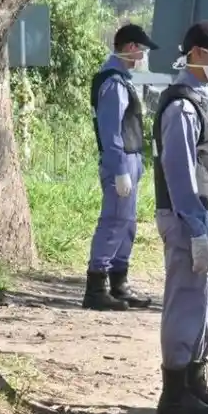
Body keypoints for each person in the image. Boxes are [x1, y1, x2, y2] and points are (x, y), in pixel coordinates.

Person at [151, 21, 208, 414]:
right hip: (184, 219)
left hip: (196, 218)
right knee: (186, 304)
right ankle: (174, 392)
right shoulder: (182, 108)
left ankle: (194, 382)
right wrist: (197, 228)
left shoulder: (197, 100)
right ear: (198, 54)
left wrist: (207, 224)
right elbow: (179, 174)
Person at [83, 24, 157, 311]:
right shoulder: (113, 82)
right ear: (130, 48)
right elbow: (110, 131)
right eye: (143, 50)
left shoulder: (122, 79)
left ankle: (119, 283)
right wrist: (119, 170)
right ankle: (95, 287)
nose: (144, 56)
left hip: (131, 158)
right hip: (121, 160)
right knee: (113, 221)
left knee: (127, 224)